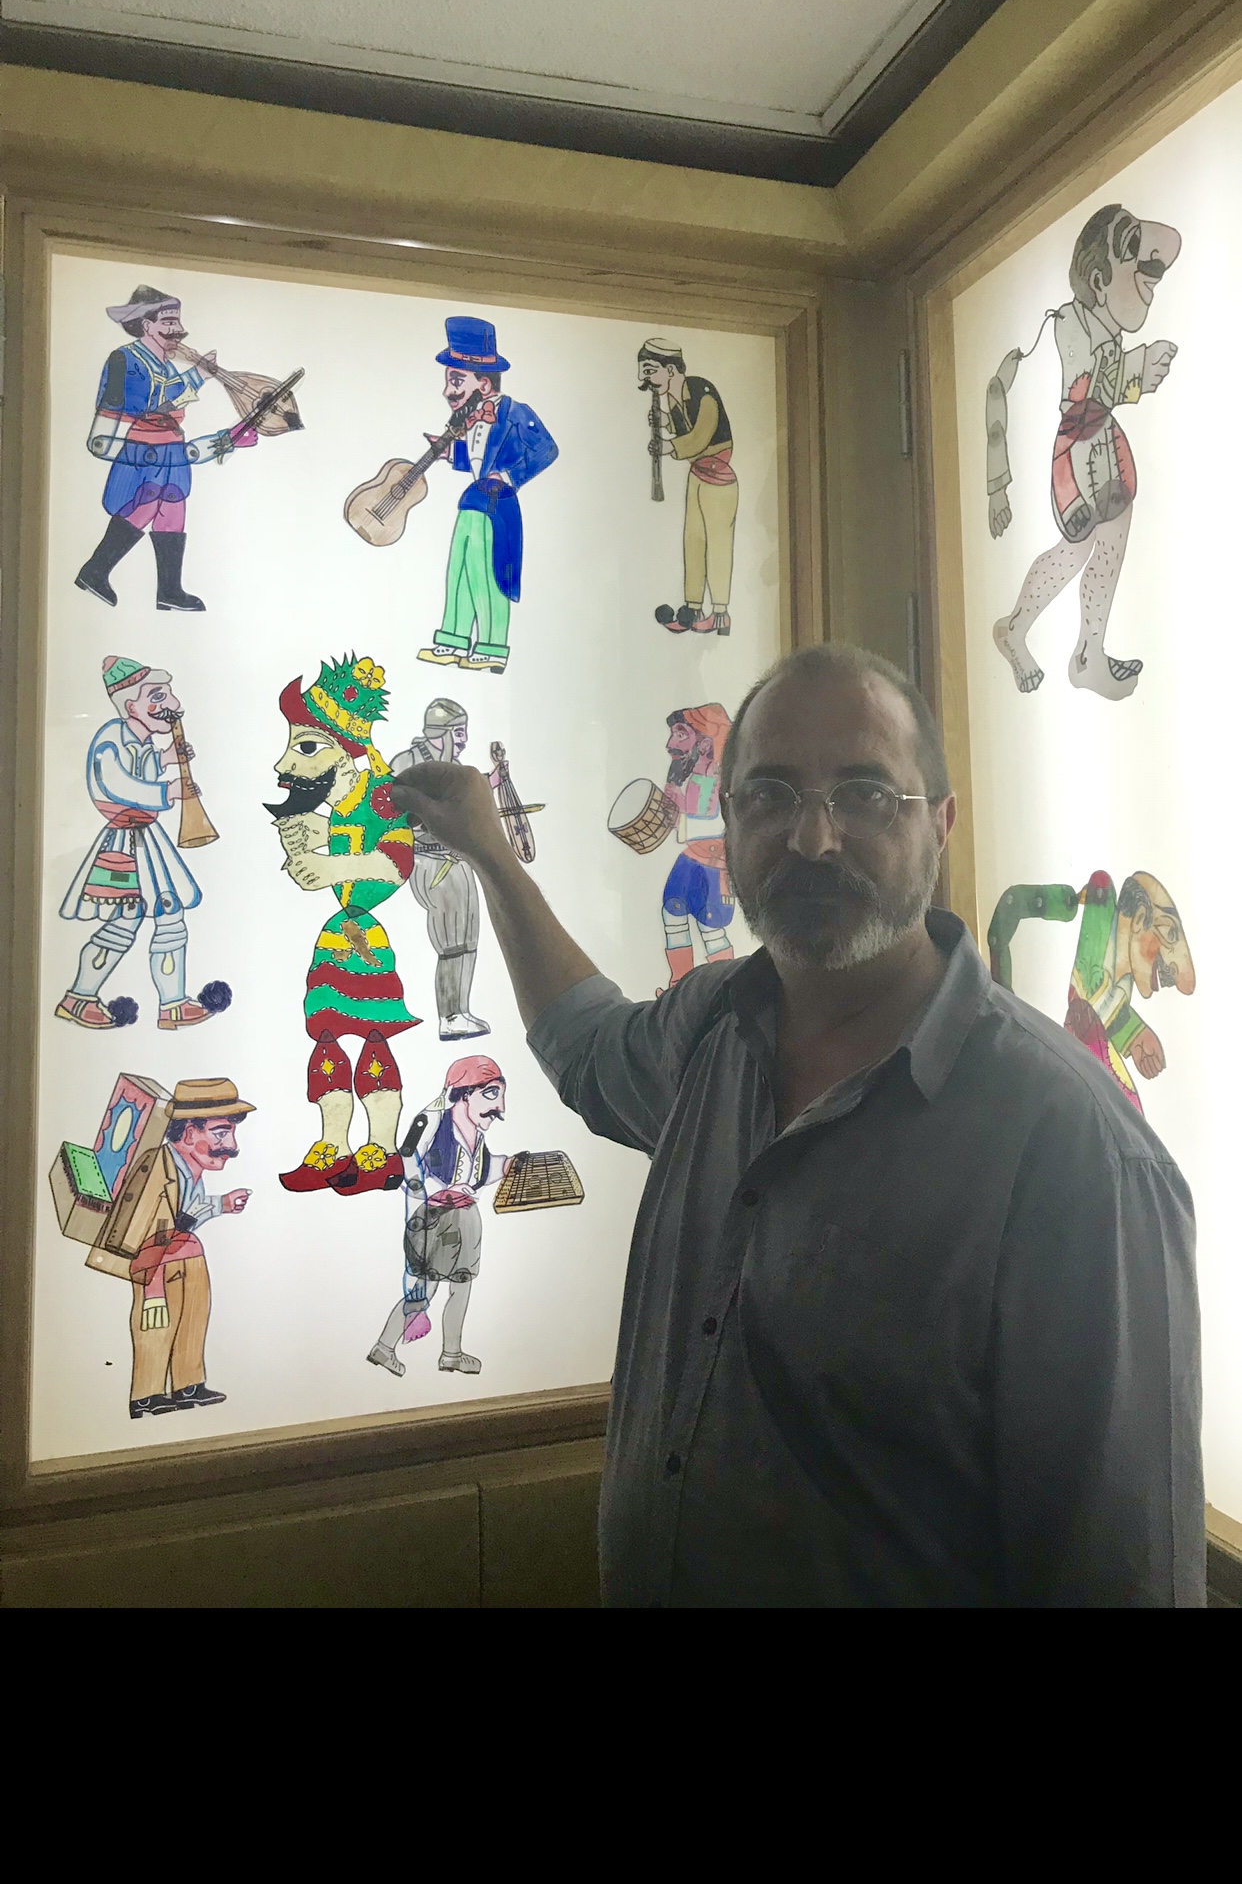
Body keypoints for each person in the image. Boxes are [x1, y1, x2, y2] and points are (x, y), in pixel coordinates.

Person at [389, 641, 1204, 1608]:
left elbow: (1121, 1576)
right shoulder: (712, 1034)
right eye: (772, 795)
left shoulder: (1078, 1153)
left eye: (865, 794)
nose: (814, 839)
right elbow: (588, 1043)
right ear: (729, 820)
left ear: (940, 824)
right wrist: (488, 852)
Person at [988, 206, 1180, 700]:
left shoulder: (1100, 324)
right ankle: (1023, 632)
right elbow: (1081, 390)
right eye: (1131, 259)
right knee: (1079, 548)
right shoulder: (1069, 325)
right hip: (1081, 446)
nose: (1148, 278)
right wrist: (996, 485)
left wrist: (1136, 369)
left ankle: (1085, 650)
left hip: (1101, 441)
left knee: (1104, 541)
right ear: (1099, 280)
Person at [269, 654, 419, 1196]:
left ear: (348, 754)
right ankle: (334, 1146)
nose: (285, 764)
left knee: (371, 1036)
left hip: (361, 934)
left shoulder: (380, 797)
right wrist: (306, 840)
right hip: (341, 933)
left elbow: (396, 861)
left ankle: (381, 1149)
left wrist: (333, 868)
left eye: (307, 748)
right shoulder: (344, 802)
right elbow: (335, 840)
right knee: (329, 1036)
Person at [57, 654, 227, 1030]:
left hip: (147, 841)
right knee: (126, 918)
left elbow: (144, 767)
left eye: (168, 694)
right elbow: (117, 783)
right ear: (131, 705)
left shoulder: (143, 742)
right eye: (158, 696)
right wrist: (169, 791)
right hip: (123, 843)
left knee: (168, 913)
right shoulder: (110, 738)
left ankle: (172, 1004)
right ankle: (79, 997)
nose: (171, 704)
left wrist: (167, 757)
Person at [75, 284, 258, 613]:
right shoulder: (126, 361)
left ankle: (169, 590)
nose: (178, 329)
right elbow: (111, 431)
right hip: (142, 457)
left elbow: (170, 412)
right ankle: (95, 570)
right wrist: (197, 376)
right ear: (147, 325)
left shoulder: (167, 366)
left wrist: (227, 439)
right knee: (146, 504)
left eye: (177, 321)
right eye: (169, 321)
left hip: (170, 454)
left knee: (173, 508)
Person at [418, 317, 558, 677]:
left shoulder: (515, 412)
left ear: (483, 383)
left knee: (488, 576)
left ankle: (492, 647)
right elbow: (481, 456)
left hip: (498, 506)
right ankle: (453, 640)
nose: (447, 391)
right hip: (472, 502)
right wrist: (452, 454)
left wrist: (509, 476)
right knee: (459, 573)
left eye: (455, 380)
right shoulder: (469, 417)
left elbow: (546, 450)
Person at [988, 869, 1195, 1111]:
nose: (1169, 975)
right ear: (1139, 918)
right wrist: (1135, 1033)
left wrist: (1135, 1037)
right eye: (1168, 932)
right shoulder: (1102, 903)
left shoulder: (1123, 982)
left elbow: (1103, 1005)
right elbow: (1088, 996)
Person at [368, 1055, 509, 1378]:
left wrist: (507, 1164)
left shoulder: (476, 1132)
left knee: (459, 1287)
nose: (499, 1107)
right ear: (464, 1093)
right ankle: (387, 1347)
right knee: (425, 1289)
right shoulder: (433, 1121)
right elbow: (406, 1160)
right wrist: (435, 1192)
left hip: (465, 1217)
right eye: (491, 1094)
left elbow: (479, 1172)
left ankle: (449, 1353)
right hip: (436, 1218)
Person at [124, 1077, 253, 1420]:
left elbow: (186, 1214)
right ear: (190, 1132)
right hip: (156, 1265)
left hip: (188, 1259)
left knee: (193, 1321)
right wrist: (152, 1289)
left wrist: (222, 1204)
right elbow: (147, 1229)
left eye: (230, 1133)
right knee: (156, 1324)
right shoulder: (157, 1166)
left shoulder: (191, 1168)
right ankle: (147, 1395)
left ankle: (189, 1385)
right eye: (221, 1134)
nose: (231, 1145)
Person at [390, 697, 489, 1039]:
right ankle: (450, 1015)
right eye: (458, 732)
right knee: (451, 941)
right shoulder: (408, 762)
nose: (464, 740)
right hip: (429, 861)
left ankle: (461, 1010)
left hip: (457, 859)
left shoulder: (454, 767)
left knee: (468, 940)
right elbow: (392, 812)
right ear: (440, 732)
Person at [638, 337, 738, 637]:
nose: (646, 380)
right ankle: (693, 608)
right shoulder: (672, 395)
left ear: (670, 370)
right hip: (698, 474)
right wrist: (665, 422)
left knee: (717, 546)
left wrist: (669, 446)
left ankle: (720, 614)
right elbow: (682, 425)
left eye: (650, 371)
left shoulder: (701, 392)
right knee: (693, 541)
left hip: (719, 478)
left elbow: (700, 436)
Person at [657, 706, 734, 984]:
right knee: (672, 912)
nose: (671, 743)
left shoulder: (722, 777)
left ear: (704, 742)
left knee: (711, 928)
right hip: (691, 859)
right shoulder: (696, 772)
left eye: (681, 734)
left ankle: (725, 988)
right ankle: (679, 984)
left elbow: (716, 824)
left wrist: (682, 822)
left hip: (714, 865)